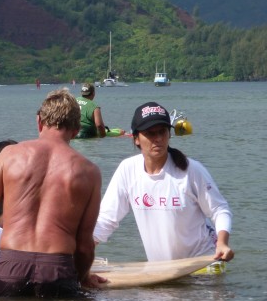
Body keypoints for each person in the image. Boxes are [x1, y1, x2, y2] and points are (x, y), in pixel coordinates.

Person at [0, 89, 105, 297]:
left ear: (39, 121)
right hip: (57, 271)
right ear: (77, 129)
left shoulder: (9, 155)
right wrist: (83, 277)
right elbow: (84, 245)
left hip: (11, 268)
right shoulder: (89, 172)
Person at [93, 102, 234, 262]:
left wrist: (222, 243)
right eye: (150, 133)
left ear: (169, 134)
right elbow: (107, 219)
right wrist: (83, 251)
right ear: (136, 138)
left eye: (162, 132)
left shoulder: (191, 170)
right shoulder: (127, 169)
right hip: (163, 269)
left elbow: (219, 210)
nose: (158, 138)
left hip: (202, 263)